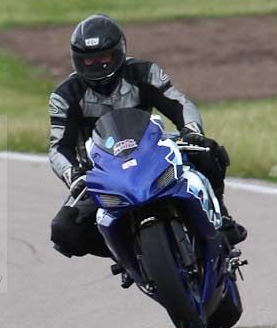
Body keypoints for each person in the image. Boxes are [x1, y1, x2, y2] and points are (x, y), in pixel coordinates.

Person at [48, 14, 247, 259]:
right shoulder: (64, 96)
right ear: (77, 59)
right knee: (64, 231)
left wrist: (192, 131)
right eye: (88, 60)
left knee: (209, 153)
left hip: (152, 154)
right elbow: (59, 147)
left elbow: (178, 103)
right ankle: (128, 253)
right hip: (101, 173)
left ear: (118, 51)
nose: (97, 64)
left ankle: (222, 219)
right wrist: (74, 175)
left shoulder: (144, 72)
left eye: (103, 57)